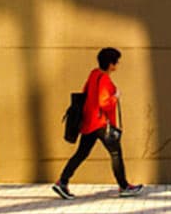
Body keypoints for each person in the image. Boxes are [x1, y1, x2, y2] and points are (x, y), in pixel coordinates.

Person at [52, 47, 144, 199]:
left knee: (81, 153)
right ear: (110, 64)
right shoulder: (104, 79)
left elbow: (86, 93)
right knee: (115, 153)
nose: (118, 65)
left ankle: (62, 181)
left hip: (89, 122)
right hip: (101, 123)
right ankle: (124, 187)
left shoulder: (94, 74)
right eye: (116, 62)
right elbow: (104, 103)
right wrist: (115, 96)